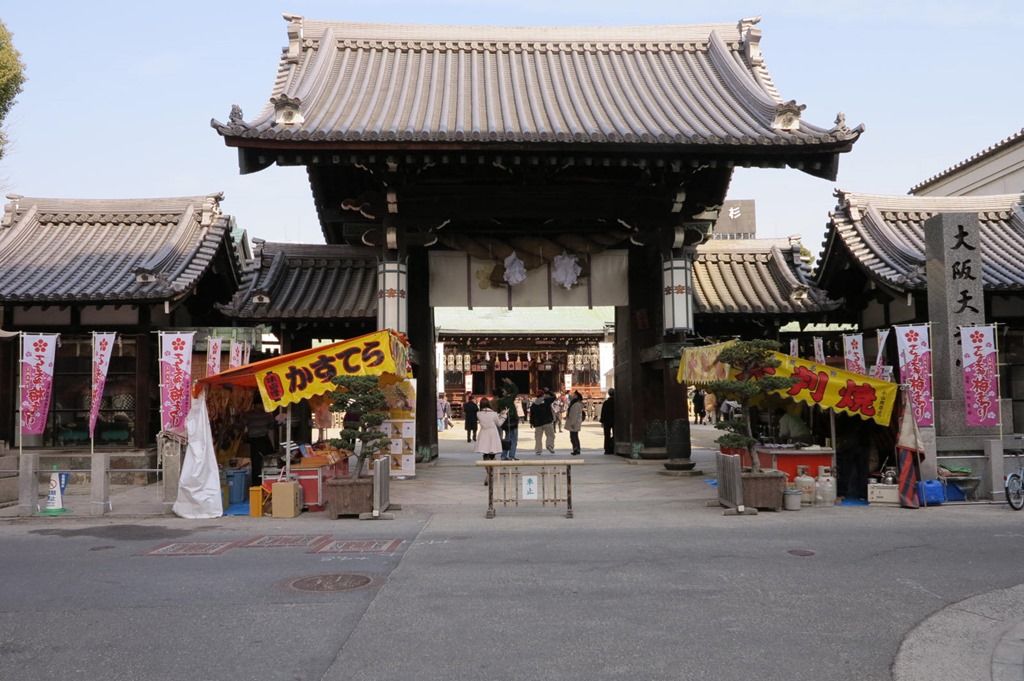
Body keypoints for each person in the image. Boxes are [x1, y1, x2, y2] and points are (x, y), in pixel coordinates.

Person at [475, 398, 507, 483]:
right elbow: (498, 423)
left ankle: (488, 473)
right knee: (492, 454)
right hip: (492, 434)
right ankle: (490, 473)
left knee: (485, 454)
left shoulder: (478, 414)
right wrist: (503, 416)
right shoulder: (493, 413)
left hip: (484, 433)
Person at [529, 388, 556, 454]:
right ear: (543, 395)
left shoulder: (534, 404)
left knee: (538, 437)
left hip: (538, 423)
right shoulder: (546, 400)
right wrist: (548, 391)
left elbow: (532, 415)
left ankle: (538, 450)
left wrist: (531, 423)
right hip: (547, 421)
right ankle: (549, 445)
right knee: (550, 435)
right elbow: (554, 397)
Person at [565, 390, 585, 456]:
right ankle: (577, 449)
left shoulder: (576, 404)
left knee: (573, 437)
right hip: (575, 422)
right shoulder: (576, 403)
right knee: (575, 436)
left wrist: (572, 423)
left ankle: (576, 449)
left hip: (574, 423)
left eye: (574, 395)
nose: (572, 396)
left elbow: (574, 415)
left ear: (576, 396)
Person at [599, 388, 615, 455]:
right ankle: (614, 448)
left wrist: (602, 421)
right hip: (615, 421)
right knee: (616, 435)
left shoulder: (606, 402)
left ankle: (607, 449)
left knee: (607, 435)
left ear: (608, 394)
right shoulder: (617, 402)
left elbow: (603, 413)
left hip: (607, 421)